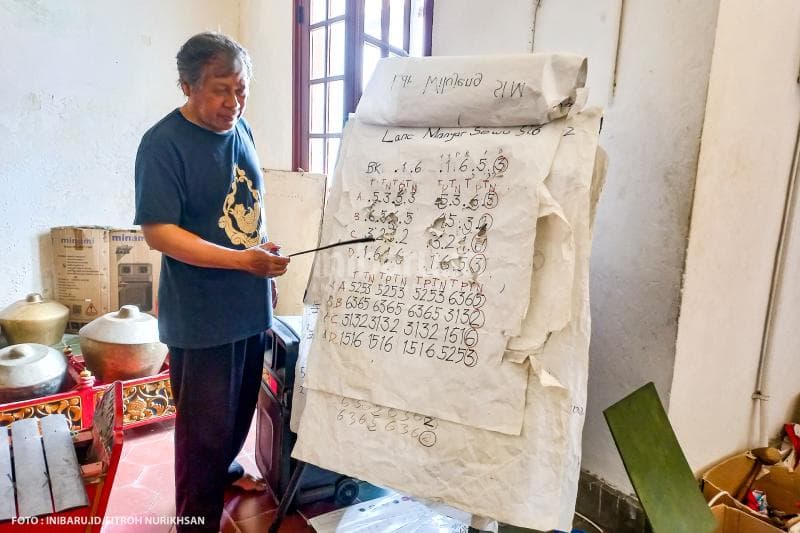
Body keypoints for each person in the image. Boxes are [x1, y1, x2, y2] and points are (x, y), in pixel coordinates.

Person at [133, 32, 290, 531]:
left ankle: (224, 470)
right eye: (221, 89)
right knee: (202, 429)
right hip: (201, 314)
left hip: (248, 302)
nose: (233, 102)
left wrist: (261, 256)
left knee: (241, 407)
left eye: (242, 89)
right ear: (187, 86)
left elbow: (245, 212)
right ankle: (195, 519)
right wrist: (242, 262)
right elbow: (159, 233)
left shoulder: (241, 129)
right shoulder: (163, 145)